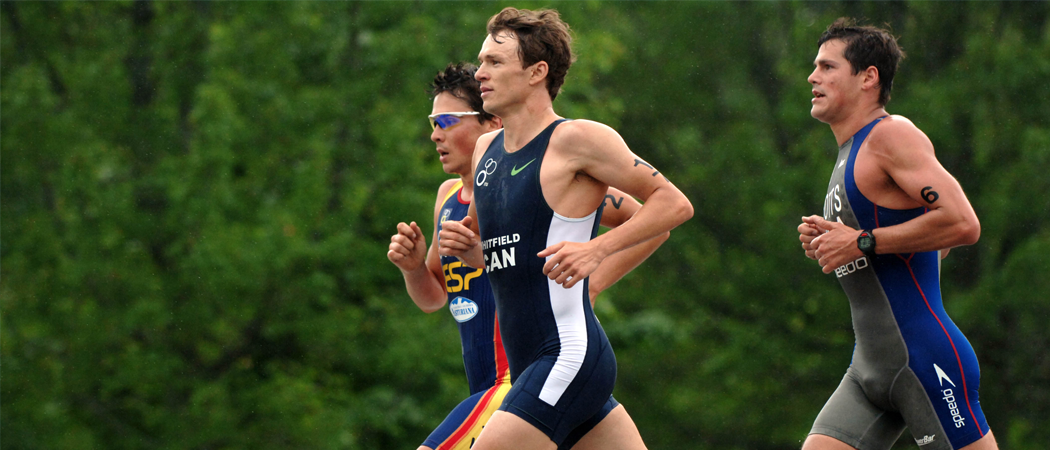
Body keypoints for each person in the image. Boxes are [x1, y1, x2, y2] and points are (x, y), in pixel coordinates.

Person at [438, 8, 693, 450]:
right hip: (531, 365)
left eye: (495, 62)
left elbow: (673, 205)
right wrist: (468, 249)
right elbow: (501, 254)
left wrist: (598, 252)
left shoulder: (577, 140)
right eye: (481, 61)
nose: (480, 73)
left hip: (568, 357)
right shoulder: (485, 150)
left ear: (537, 72)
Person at [388, 62, 668, 450]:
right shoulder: (448, 199)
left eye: (448, 120)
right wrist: (413, 267)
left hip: (523, 380)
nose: (435, 134)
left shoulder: (544, 178)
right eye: (433, 122)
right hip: (519, 381)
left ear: (491, 123)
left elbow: (651, 221)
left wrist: (594, 279)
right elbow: (434, 298)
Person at [797, 18, 998, 450]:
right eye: (815, 67)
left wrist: (862, 241)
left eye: (828, 67)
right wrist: (836, 239)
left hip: (925, 360)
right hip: (868, 368)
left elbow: (963, 224)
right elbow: (932, 245)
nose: (813, 77)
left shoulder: (891, 135)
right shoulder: (848, 153)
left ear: (869, 77)